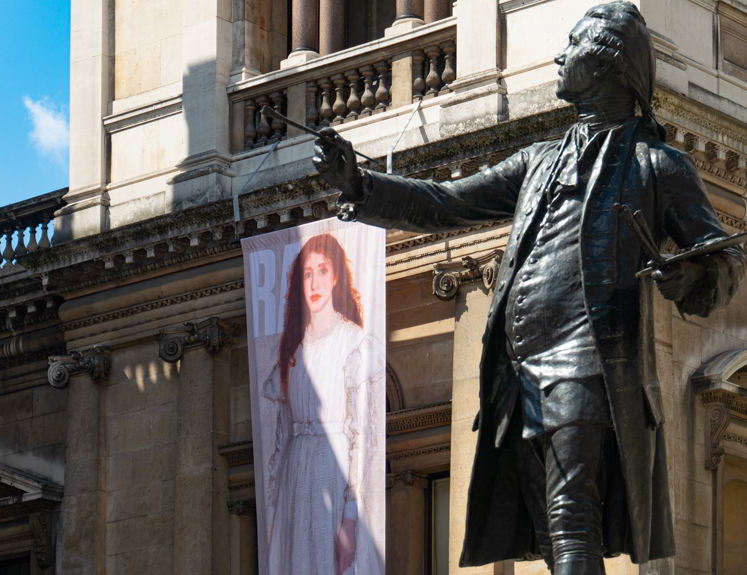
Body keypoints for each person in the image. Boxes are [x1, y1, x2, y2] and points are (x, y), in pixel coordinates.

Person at [312, 2, 746, 574]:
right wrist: (361, 185)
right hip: (519, 373)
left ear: (606, 62)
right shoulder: (539, 161)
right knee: (548, 525)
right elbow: (450, 203)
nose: (561, 56)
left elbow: (721, 259)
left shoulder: (657, 166)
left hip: (587, 364)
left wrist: (689, 274)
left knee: (571, 520)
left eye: (573, 47)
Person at [262, 233, 384, 575]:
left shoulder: (354, 342)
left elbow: (363, 435)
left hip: (333, 474)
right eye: (307, 273)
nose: (314, 281)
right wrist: (273, 513)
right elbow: (281, 439)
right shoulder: (291, 353)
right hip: (294, 485)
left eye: (322, 270)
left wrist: (350, 515)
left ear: (336, 278)